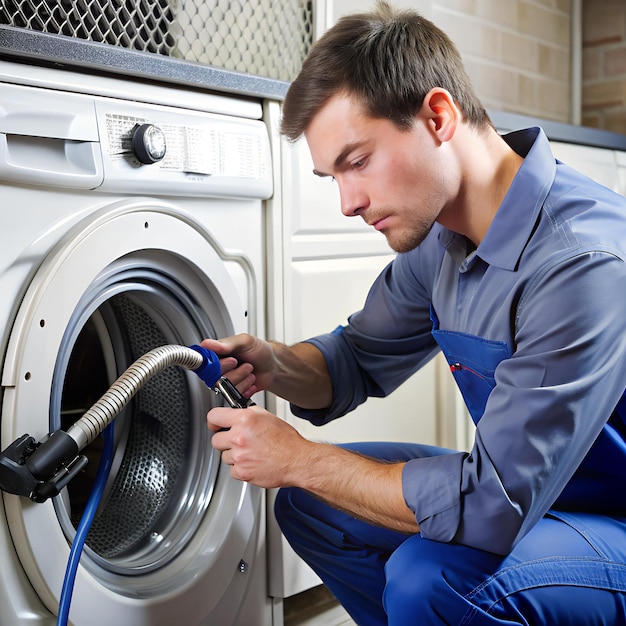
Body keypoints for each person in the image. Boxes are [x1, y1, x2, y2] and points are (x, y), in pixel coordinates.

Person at [202, 2, 626, 623]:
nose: (348, 202)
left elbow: (492, 504)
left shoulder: (580, 262)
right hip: (541, 494)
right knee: (312, 504)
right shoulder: (442, 242)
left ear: (437, 115)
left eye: (358, 161)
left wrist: (301, 457)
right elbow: (356, 357)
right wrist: (275, 365)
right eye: (331, 177)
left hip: (609, 514)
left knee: (427, 578)